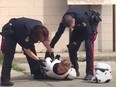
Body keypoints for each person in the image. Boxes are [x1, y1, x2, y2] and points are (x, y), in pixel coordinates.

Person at [50, 6, 101, 80]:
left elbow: (88, 34)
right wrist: (51, 45)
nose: (71, 28)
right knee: (71, 46)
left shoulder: (82, 18)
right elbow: (59, 33)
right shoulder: (64, 20)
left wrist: (77, 42)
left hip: (90, 25)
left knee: (88, 44)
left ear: (73, 20)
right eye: (69, 28)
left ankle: (90, 73)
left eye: (71, 26)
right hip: (79, 27)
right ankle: (75, 69)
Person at [0, 17, 54, 86]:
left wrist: (50, 51)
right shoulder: (25, 32)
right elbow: (27, 51)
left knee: (32, 49)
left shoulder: (41, 28)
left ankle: (37, 73)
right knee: (9, 56)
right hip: (11, 32)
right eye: (38, 40)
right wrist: (38, 60)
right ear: (34, 36)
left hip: (23, 30)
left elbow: (45, 40)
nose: (39, 41)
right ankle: (5, 79)